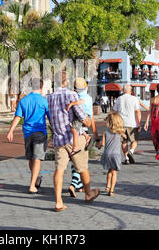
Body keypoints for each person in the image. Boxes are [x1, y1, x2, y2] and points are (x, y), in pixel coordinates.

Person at [48, 71, 100, 212]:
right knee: (82, 167)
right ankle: (88, 193)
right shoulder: (71, 95)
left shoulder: (50, 97)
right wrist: (88, 122)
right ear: (66, 82)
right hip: (73, 137)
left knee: (59, 169)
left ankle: (58, 201)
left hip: (59, 139)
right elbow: (83, 118)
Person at [6, 78, 49, 194]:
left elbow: (18, 117)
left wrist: (11, 131)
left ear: (31, 86)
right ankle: (32, 185)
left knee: (31, 158)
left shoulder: (24, 100)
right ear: (41, 87)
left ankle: (35, 179)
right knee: (37, 158)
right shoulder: (44, 101)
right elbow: (50, 117)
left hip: (27, 133)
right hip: (40, 132)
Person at [65, 77, 100, 198]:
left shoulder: (72, 97)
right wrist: (95, 134)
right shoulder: (87, 99)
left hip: (70, 132)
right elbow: (90, 120)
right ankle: (74, 185)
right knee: (81, 163)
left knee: (74, 161)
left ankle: (77, 185)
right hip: (82, 132)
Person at [96, 111, 124, 197]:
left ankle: (107, 186)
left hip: (107, 154)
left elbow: (102, 144)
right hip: (116, 155)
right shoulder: (120, 132)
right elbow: (124, 140)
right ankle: (111, 190)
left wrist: (98, 146)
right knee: (114, 172)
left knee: (109, 170)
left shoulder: (105, 131)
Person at [113, 84, 141, 165]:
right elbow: (138, 111)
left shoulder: (119, 99)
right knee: (134, 140)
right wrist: (139, 123)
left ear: (123, 90)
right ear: (130, 90)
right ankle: (131, 151)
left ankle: (126, 158)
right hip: (132, 123)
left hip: (121, 123)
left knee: (124, 142)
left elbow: (114, 111)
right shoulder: (134, 99)